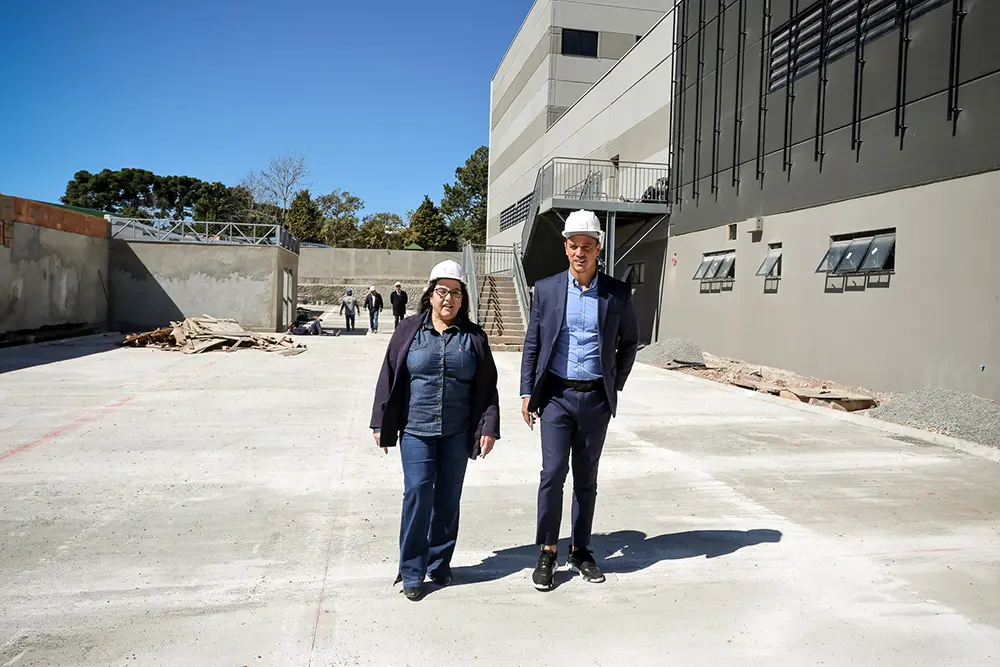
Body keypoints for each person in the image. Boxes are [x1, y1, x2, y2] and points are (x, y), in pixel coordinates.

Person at [519, 209, 639, 591]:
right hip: (555, 396)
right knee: (552, 475)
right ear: (565, 247)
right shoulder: (548, 289)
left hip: (594, 401)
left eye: (588, 246)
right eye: (574, 246)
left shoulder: (616, 292)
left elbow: (630, 342)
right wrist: (527, 391)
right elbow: (533, 343)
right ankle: (548, 551)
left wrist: (612, 385)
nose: (580, 253)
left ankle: (581, 549)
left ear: (598, 248)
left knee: (587, 480)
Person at [370, 260, 501, 602]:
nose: (449, 299)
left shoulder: (474, 337)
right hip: (416, 431)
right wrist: (379, 420)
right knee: (417, 494)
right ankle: (412, 570)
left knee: (447, 500)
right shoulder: (409, 330)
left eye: (456, 293)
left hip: (457, 433)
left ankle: (439, 563)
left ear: (463, 299)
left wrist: (488, 427)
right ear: (430, 295)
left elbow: (488, 387)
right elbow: (388, 374)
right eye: (442, 291)